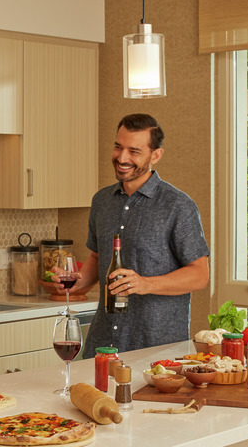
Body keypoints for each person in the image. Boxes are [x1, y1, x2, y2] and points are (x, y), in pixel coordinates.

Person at [42, 113, 209, 355]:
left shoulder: (178, 206)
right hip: (103, 343)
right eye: (118, 147)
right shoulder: (102, 201)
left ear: (156, 155)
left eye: (134, 151)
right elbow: (98, 259)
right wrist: (76, 281)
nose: (122, 158)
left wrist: (145, 284)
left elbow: (199, 275)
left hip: (156, 349)